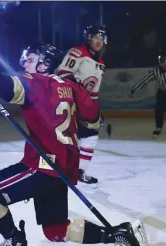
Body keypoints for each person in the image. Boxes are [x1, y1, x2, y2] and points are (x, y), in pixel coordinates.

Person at [0, 44, 148, 246]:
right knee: (55, 230)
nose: (24, 64)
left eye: (30, 59)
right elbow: (92, 120)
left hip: (41, 166)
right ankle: (117, 233)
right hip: (63, 169)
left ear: (44, 63)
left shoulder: (36, 83)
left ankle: (14, 240)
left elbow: (8, 87)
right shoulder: (71, 87)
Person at [57, 24, 107, 186]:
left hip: (85, 105)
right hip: (70, 102)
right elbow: (63, 73)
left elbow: (93, 91)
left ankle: (79, 172)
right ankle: (52, 171)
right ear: (88, 37)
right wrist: (78, 95)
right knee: (63, 139)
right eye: (96, 37)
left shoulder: (100, 62)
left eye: (102, 37)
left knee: (90, 139)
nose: (99, 41)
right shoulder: (77, 52)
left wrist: (96, 109)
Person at [129, 51, 166, 138]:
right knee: (159, 110)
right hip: (163, 92)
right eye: (162, 62)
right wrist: (133, 90)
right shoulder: (156, 71)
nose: (164, 64)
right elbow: (144, 80)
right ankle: (158, 127)